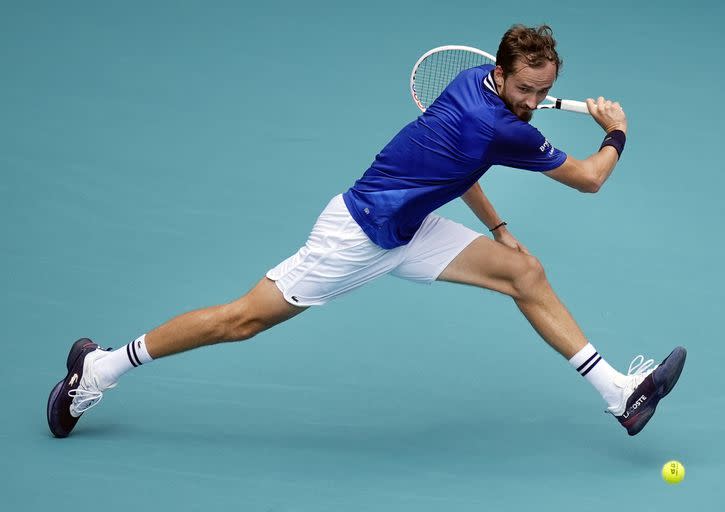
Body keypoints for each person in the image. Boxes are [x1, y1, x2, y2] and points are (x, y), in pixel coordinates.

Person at [47, 24, 686, 439]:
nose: (532, 99)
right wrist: (616, 129)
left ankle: (620, 394)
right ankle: (99, 370)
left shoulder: (473, 85)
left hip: (410, 226)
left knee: (524, 272)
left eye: (543, 90)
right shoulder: (504, 126)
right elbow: (591, 178)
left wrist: (499, 227)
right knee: (239, 321)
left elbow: (463, 167)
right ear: (500, 73)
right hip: (358, 235)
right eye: (524, 89)